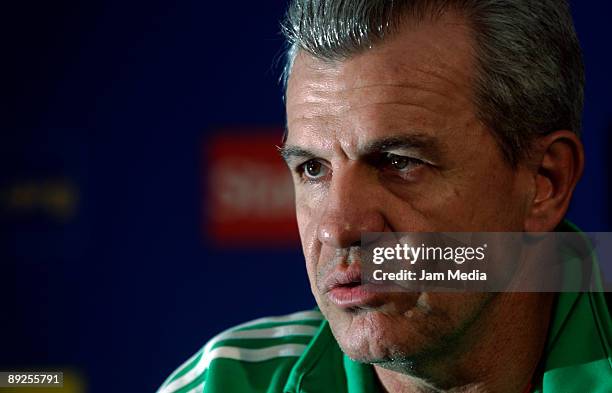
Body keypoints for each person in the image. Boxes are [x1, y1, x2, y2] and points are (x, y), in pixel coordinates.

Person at [157, 1, 612, 392]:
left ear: (544, 182)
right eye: (312, 169)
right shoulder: (224, 383)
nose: (338, 228)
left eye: (399, 161)